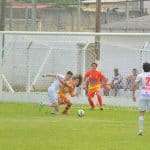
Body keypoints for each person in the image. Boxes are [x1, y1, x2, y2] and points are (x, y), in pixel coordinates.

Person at [132, 62, 150, 135]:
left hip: (143, 95)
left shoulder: (140, 75)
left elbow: (134, 85)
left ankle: (140, 131)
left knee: (141, 113)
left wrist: (133, 95)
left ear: (143, 68)